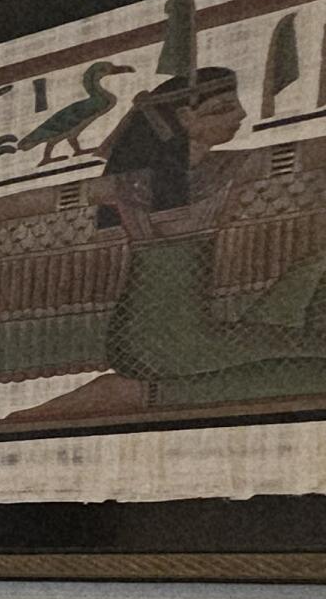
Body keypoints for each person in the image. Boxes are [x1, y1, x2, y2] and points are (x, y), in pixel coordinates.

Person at [92, 68, 326, 407]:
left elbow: (306, 155)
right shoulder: (133, 183)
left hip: (198, 332)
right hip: (163, 343)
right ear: (186, 118)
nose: (242, 114)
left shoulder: (222, 168)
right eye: (223, 108)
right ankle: (141, 395)